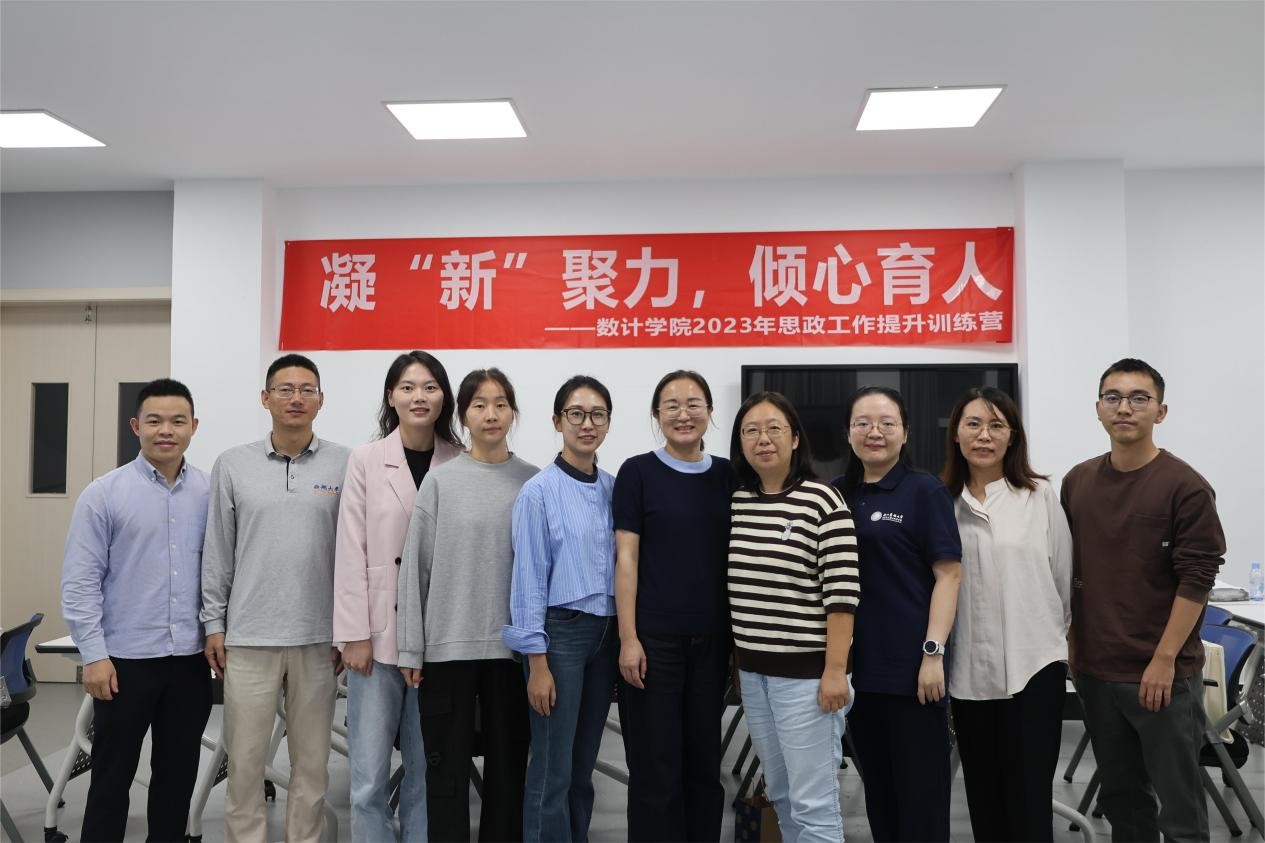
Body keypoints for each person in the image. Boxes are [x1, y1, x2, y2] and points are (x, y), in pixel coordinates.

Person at [1061, 358, 1225, 843]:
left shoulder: (1185, 486)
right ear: (1098, 409)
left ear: (1161, 411)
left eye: (1139, 398)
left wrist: (1164, 659)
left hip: (1162, 675)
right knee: (1123, 803)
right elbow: (1069, 569)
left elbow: (1197, 578)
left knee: (1180, 810)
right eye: (1113, 397)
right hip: (1096, 670)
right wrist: (1072, 645)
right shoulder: (1078, 482)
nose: (1124, 408)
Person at [201, 353, 351, 843]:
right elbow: (218, 551)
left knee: (312, 765)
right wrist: (214, 624)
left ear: (321, 400)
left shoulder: (346, 463)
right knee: (244, 764)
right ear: (265, 398)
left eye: (307, 389)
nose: (296, 398)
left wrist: (347, 630)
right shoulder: (233, 464)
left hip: (318, 639)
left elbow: (354, 554)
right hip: (248, 638)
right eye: (285, 389)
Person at [60, 378, 211, 843]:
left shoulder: (210, 492)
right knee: (111, 779)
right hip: (124, 663)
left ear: (193, 426)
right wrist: (94, 655)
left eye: (177, 421)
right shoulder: (104, 494)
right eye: (154, 421)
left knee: (176, 780)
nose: (166, 430)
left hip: (189, 661)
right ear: (135, 426)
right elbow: (80, 582)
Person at [397, 367, 537, 843]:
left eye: (500, 404)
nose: (490, 414)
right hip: (447, 651)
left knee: (508, 774)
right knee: (445, 775)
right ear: (463, 415)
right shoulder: (440, 482)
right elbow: (415, 570)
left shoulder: (533, 482)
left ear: (513, 413)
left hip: (511, 653)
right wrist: (412, 648)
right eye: (479, 405)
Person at [334, 351, 462, 842]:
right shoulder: (366, 459)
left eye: (430, 387)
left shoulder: (460, 459)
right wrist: (353, 634)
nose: (418, 397)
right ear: (391, 397)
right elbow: (351, 549)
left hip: (437, 640)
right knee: (368, 777)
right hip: (376, 638)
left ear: (444, 397)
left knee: (425, 770)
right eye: (407, 387)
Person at [940, 386, 1072, 842]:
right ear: (956, 434)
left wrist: (1055, 640)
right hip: (968, 672)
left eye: (997, 425)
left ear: (1013, 436)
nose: (984, 435)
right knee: (983, 794)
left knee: (1029, 797)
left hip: (1034, 666)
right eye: (973, 424)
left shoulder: (1039, 496)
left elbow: (1063, 578)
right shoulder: (941, 501)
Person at [728, 391, 858, 843]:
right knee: (781, 794)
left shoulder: (823, 501)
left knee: (813, 804)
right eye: (751, 431)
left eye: (774, 429)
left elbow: (842, 597)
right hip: (755, 677)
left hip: (808, 680)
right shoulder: (739, 502)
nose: (762, 439)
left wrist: (835, 672)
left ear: (796, 438)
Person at [833, 386, 961, 843]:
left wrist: (933, 653)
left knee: (921, 799)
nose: (875, 432)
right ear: (848, 433)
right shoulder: (835, 494)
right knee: (880, 795)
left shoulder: (924, 491)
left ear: (905, 433)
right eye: (863, 423)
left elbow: (949, 575)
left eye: (887, 423)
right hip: (856, 673)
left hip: (912, 673)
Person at [612, 370, 734, 842]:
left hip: (713, 642)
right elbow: (626, 559)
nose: (684, 414)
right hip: (653, 642)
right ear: (656, 414)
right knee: (655, 766)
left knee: (703, 763)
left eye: (694, 403)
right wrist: (628, 638)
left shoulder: (728, 475)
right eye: (672, 405)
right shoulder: (638, 473)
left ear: (709, 411)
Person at [502, 375, 619, 843]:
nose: (587, 424)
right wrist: (537, 662)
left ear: (608, 423)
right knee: (553, 767)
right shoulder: (539, 492)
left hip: (606, 635)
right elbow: (528, 579)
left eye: (597, 415)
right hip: (560, 636)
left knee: (582, 766)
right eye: (576, 414)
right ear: (557, 422)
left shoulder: (614, 488)